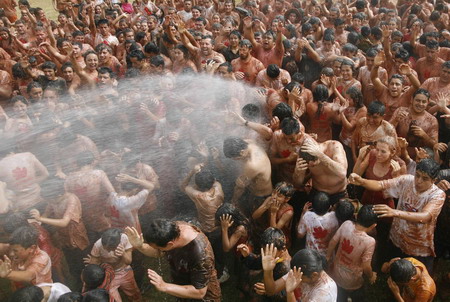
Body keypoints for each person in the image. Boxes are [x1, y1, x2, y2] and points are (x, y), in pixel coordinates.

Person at [349, 159, 445, 272]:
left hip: (418, 244)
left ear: (434, 180)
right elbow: (381, 185)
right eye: (417, 176)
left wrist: (395, 212)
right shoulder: (407, 180)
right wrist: (362, 181)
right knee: (393, 269)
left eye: (424, 179)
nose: (418, 181)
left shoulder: (437, 195)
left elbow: (424, 217)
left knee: (414, 276)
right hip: (398, 236)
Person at [125, 219, 221, 301]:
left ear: (170, 244)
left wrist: (164, 286)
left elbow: (199, 292)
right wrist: (140, 246)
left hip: (203, 296)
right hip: (182, 285)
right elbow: (157, 252)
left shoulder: (201, 255)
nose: (159, 251)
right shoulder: (170, 230)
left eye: (159, 248)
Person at [326, 205, 377, 301]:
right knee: (357, 295)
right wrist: (371, 276)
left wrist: (328, 257)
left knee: (339, 295)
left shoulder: (346, 224)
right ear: (373, 226)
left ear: (357, 216)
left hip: (336, 273)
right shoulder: (369, 241)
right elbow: (366, 266)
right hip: (353, 280)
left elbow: (333, 242)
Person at [86, 228, 141, 302]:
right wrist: (92, 264)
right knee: (113, 299)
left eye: (111, 249)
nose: (108, 251)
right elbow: (94, 263)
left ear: (118, 243)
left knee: (134, 294)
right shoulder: (98, 245)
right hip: (108, 274)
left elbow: (128, 262)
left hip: (124, 271)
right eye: (106, 249)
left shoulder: (124, 239)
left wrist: (123, 254)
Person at [223, 136, 272, 214]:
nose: (235, 160)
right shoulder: (249, 143)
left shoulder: (252, 165)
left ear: (242, 152)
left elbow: (240, 187)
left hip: (261, 196)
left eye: (235, 158)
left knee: (257, 218)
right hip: (260, 186)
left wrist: (233, 201)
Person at [294, 139, 348, 205]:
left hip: (339, 193)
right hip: (317, 193)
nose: (313, 166)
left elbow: (342, 172)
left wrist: (321, 156)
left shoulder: (334, 146)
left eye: (314, 164)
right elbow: (297, 184)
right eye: (310, 165)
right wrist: (297, 172)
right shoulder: (303, 153)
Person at [181, 164, 224, 235]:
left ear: (197, 186)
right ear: (213, 180)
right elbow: (209, 178)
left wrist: (192, 171)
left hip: (207, 229)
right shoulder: (218, 186)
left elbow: (183, 186)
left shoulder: (200, 196)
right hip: (220, 225)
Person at [252, 182, 295, 247]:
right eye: (273, 193)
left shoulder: (288, 212)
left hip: (277, 237)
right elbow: (254, 216)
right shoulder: (269, 199)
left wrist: (273, 213)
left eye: (279, 196)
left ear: (286, 199)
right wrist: (265, 206)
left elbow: (274, 232)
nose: (274, 197)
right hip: (266, 230)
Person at [297, 191, 339, 256]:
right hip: (328, 255)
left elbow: (300, 234)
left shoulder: (307, 216)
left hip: (311, 254)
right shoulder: (335, 216)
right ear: (329, 207)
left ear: (312, 206)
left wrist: (303, 213)